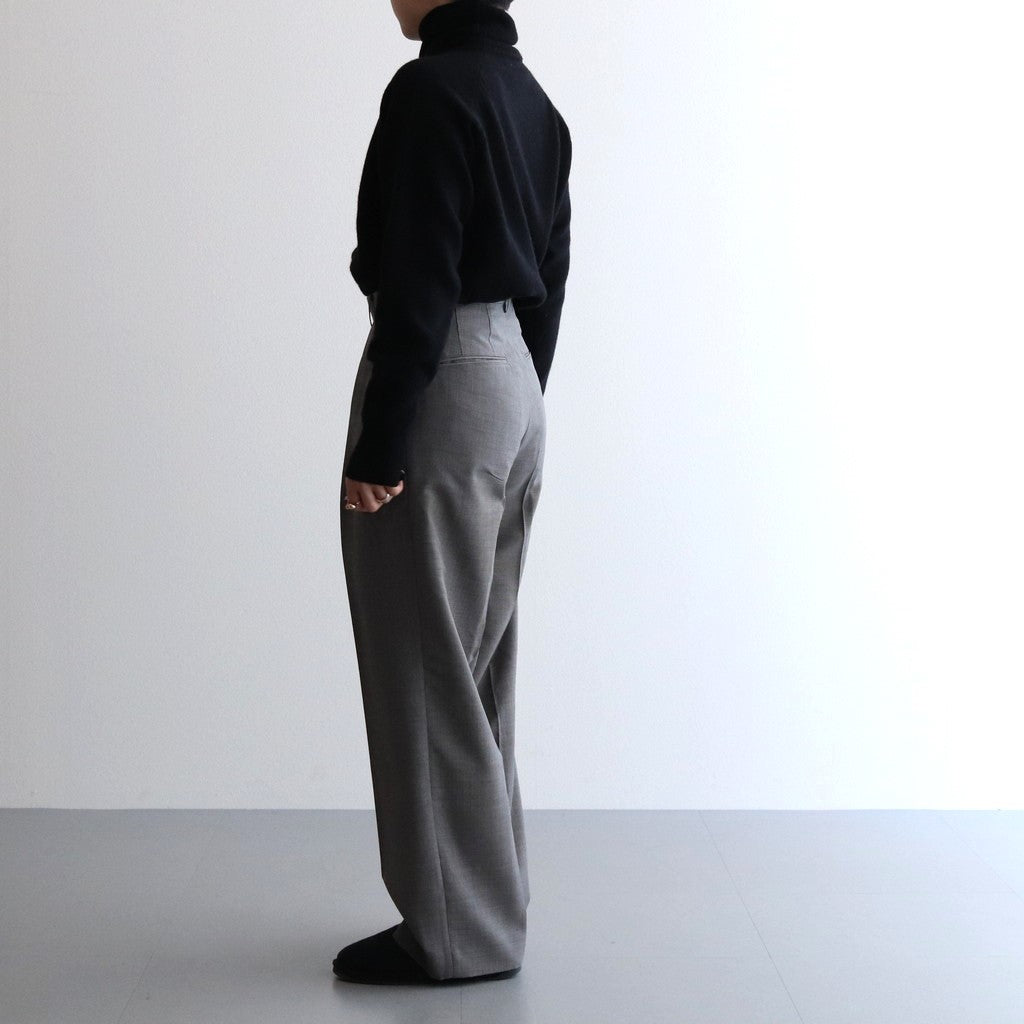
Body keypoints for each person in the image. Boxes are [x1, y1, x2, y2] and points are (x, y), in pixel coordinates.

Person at [333, 0, 571, 986]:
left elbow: (419, 271)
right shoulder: (532, 98)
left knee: (424, 659)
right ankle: (486, 908)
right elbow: (552, 267)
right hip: (510, 377)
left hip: (443, 378)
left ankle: (455, 937)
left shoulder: (429, 90)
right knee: (478, 663)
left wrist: (385, 440)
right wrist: (518, 397)